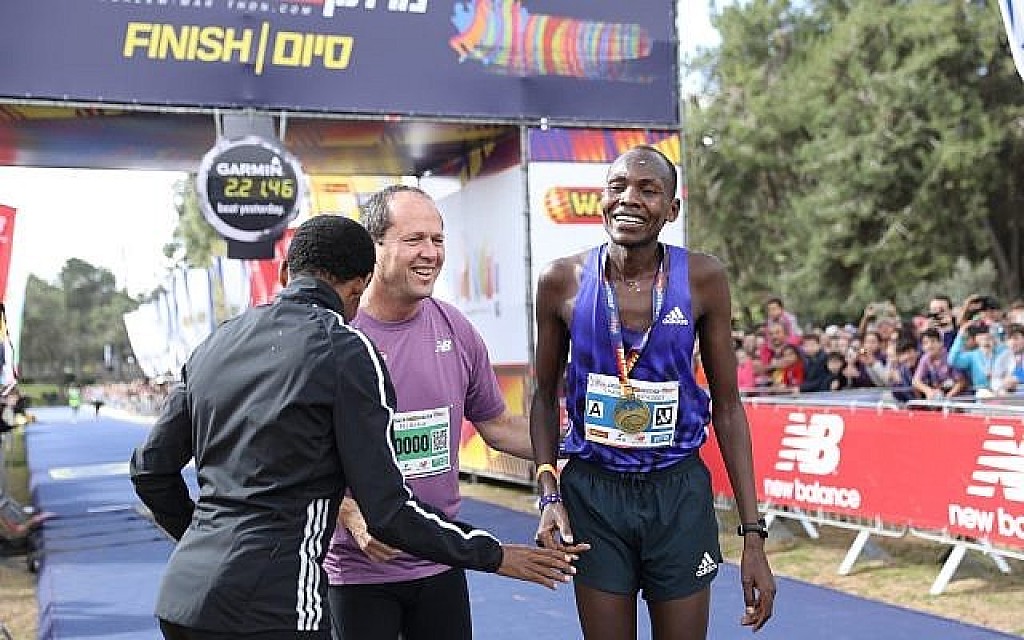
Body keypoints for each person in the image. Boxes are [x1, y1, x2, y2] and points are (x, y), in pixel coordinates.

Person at [129, 215, 581, 640]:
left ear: (286, 272)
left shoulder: (216, 341)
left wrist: (200, 543)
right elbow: (388, 511)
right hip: (279, 606)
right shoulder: (345, 348)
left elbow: (150, 470)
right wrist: (496, 555)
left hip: (184, 600)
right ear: (359, 285)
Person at [530, 145, 775, 639]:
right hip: (595, 494)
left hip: (676, 491)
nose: (629, 199)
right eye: (617, 187)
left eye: (648, 189)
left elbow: (728, 406)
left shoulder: (703, 278)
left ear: (672, 209)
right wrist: (548, 493)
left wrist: (753, 536)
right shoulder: (561, 281)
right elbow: (543, 397)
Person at [323, 186, 586, 640]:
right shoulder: (336, 334)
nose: (430, 253)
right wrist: (349, 513)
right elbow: (298, 458)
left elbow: (498, 427)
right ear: (374, 247)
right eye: (414, 240)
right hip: (357, 573)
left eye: (437, 239)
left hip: (441, 562)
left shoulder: (455, 328)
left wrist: (587, 444)